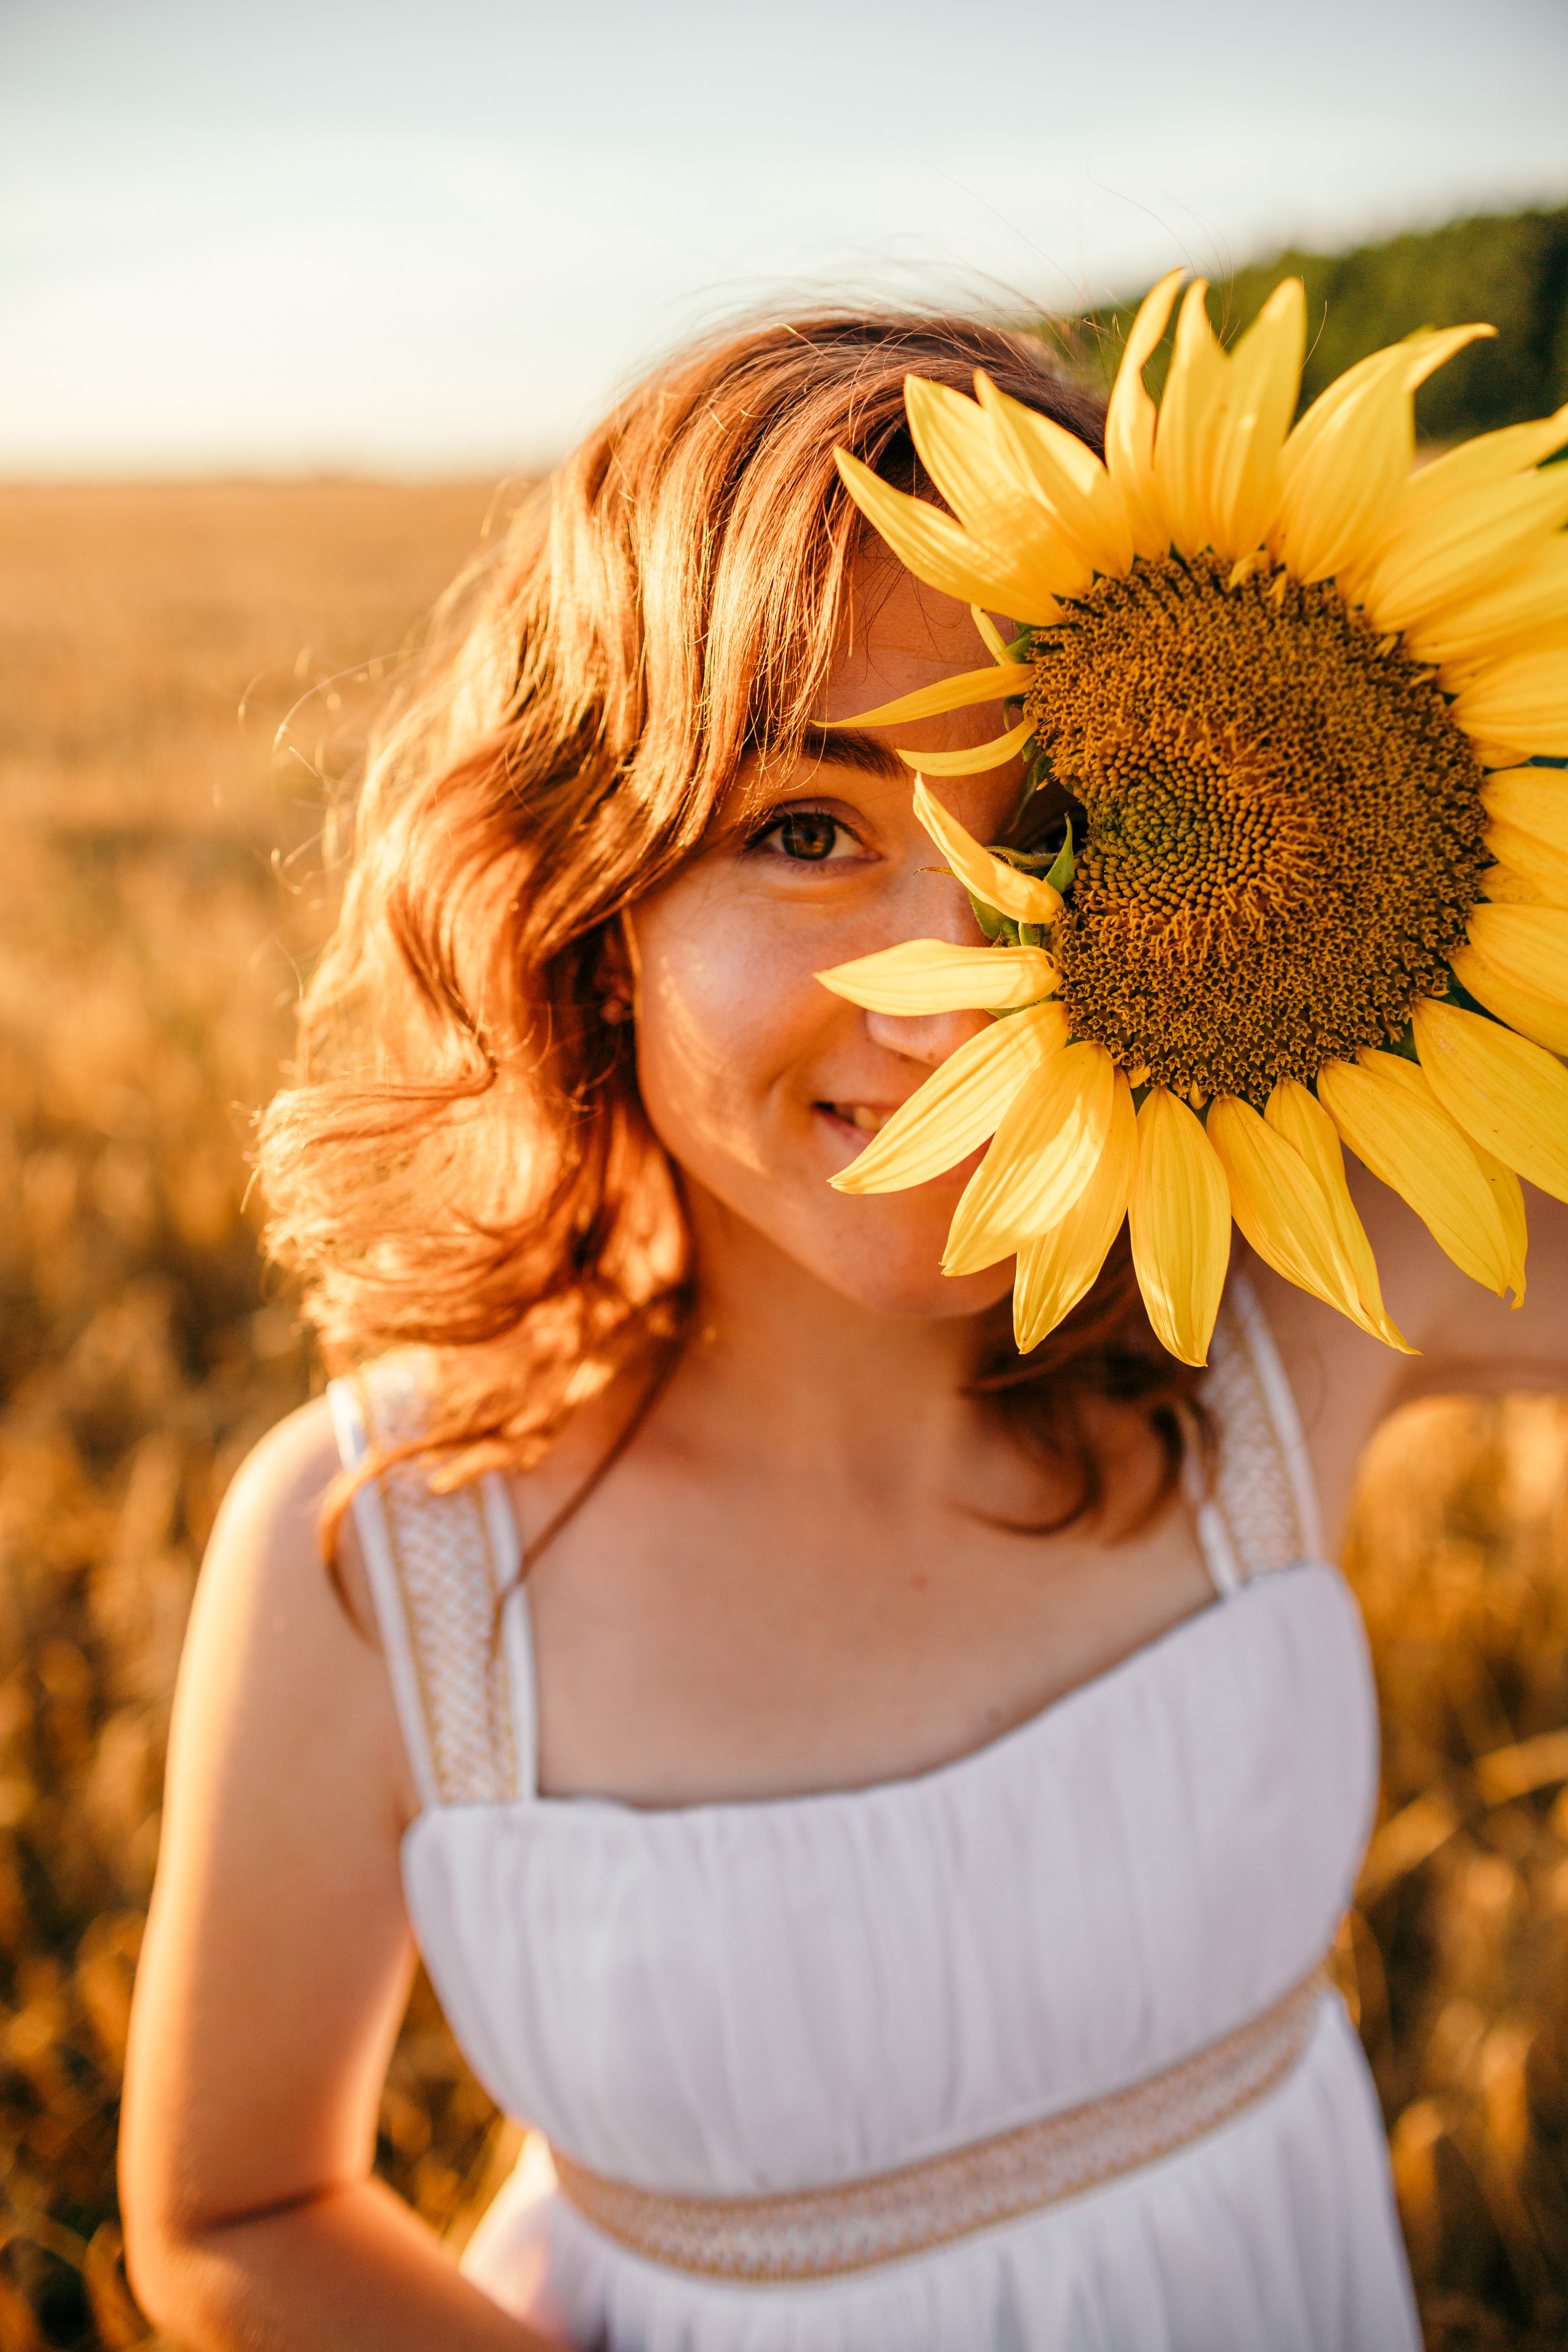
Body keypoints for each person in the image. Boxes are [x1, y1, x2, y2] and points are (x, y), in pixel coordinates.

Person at [119, 290, 1568, 2351]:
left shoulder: (1286, 1313)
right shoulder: (391, 1553)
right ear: (590, 909)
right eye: (806, 832)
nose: (962, 980)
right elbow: (236, 2212)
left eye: (1067, 831)